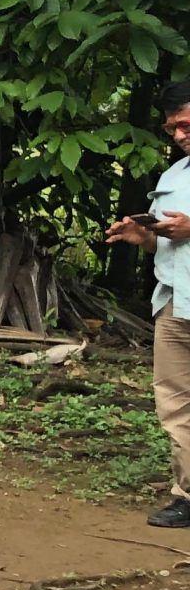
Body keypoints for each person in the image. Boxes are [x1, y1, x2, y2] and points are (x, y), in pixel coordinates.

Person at [109, 80, 190, 528]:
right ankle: (187, 495)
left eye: (185, 123)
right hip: (176, 301)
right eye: (171, 128)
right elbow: (167, 244)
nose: (178, 134)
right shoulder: (173, 176)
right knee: (176, 402)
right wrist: (143, 238)